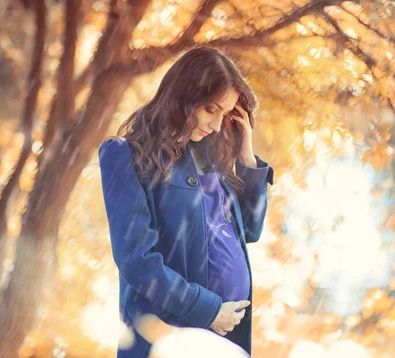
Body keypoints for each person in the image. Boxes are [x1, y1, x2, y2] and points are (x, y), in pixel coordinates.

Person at [98, 46, 274, 357]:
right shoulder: (124, 155)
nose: (217, 125)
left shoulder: (208, 157)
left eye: (225, 113)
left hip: (225, 341)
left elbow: (249, 230)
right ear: (183, 96)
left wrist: (246, 158)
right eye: (210, 110)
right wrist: (208, 310)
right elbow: (138, 262)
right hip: (168, 339)